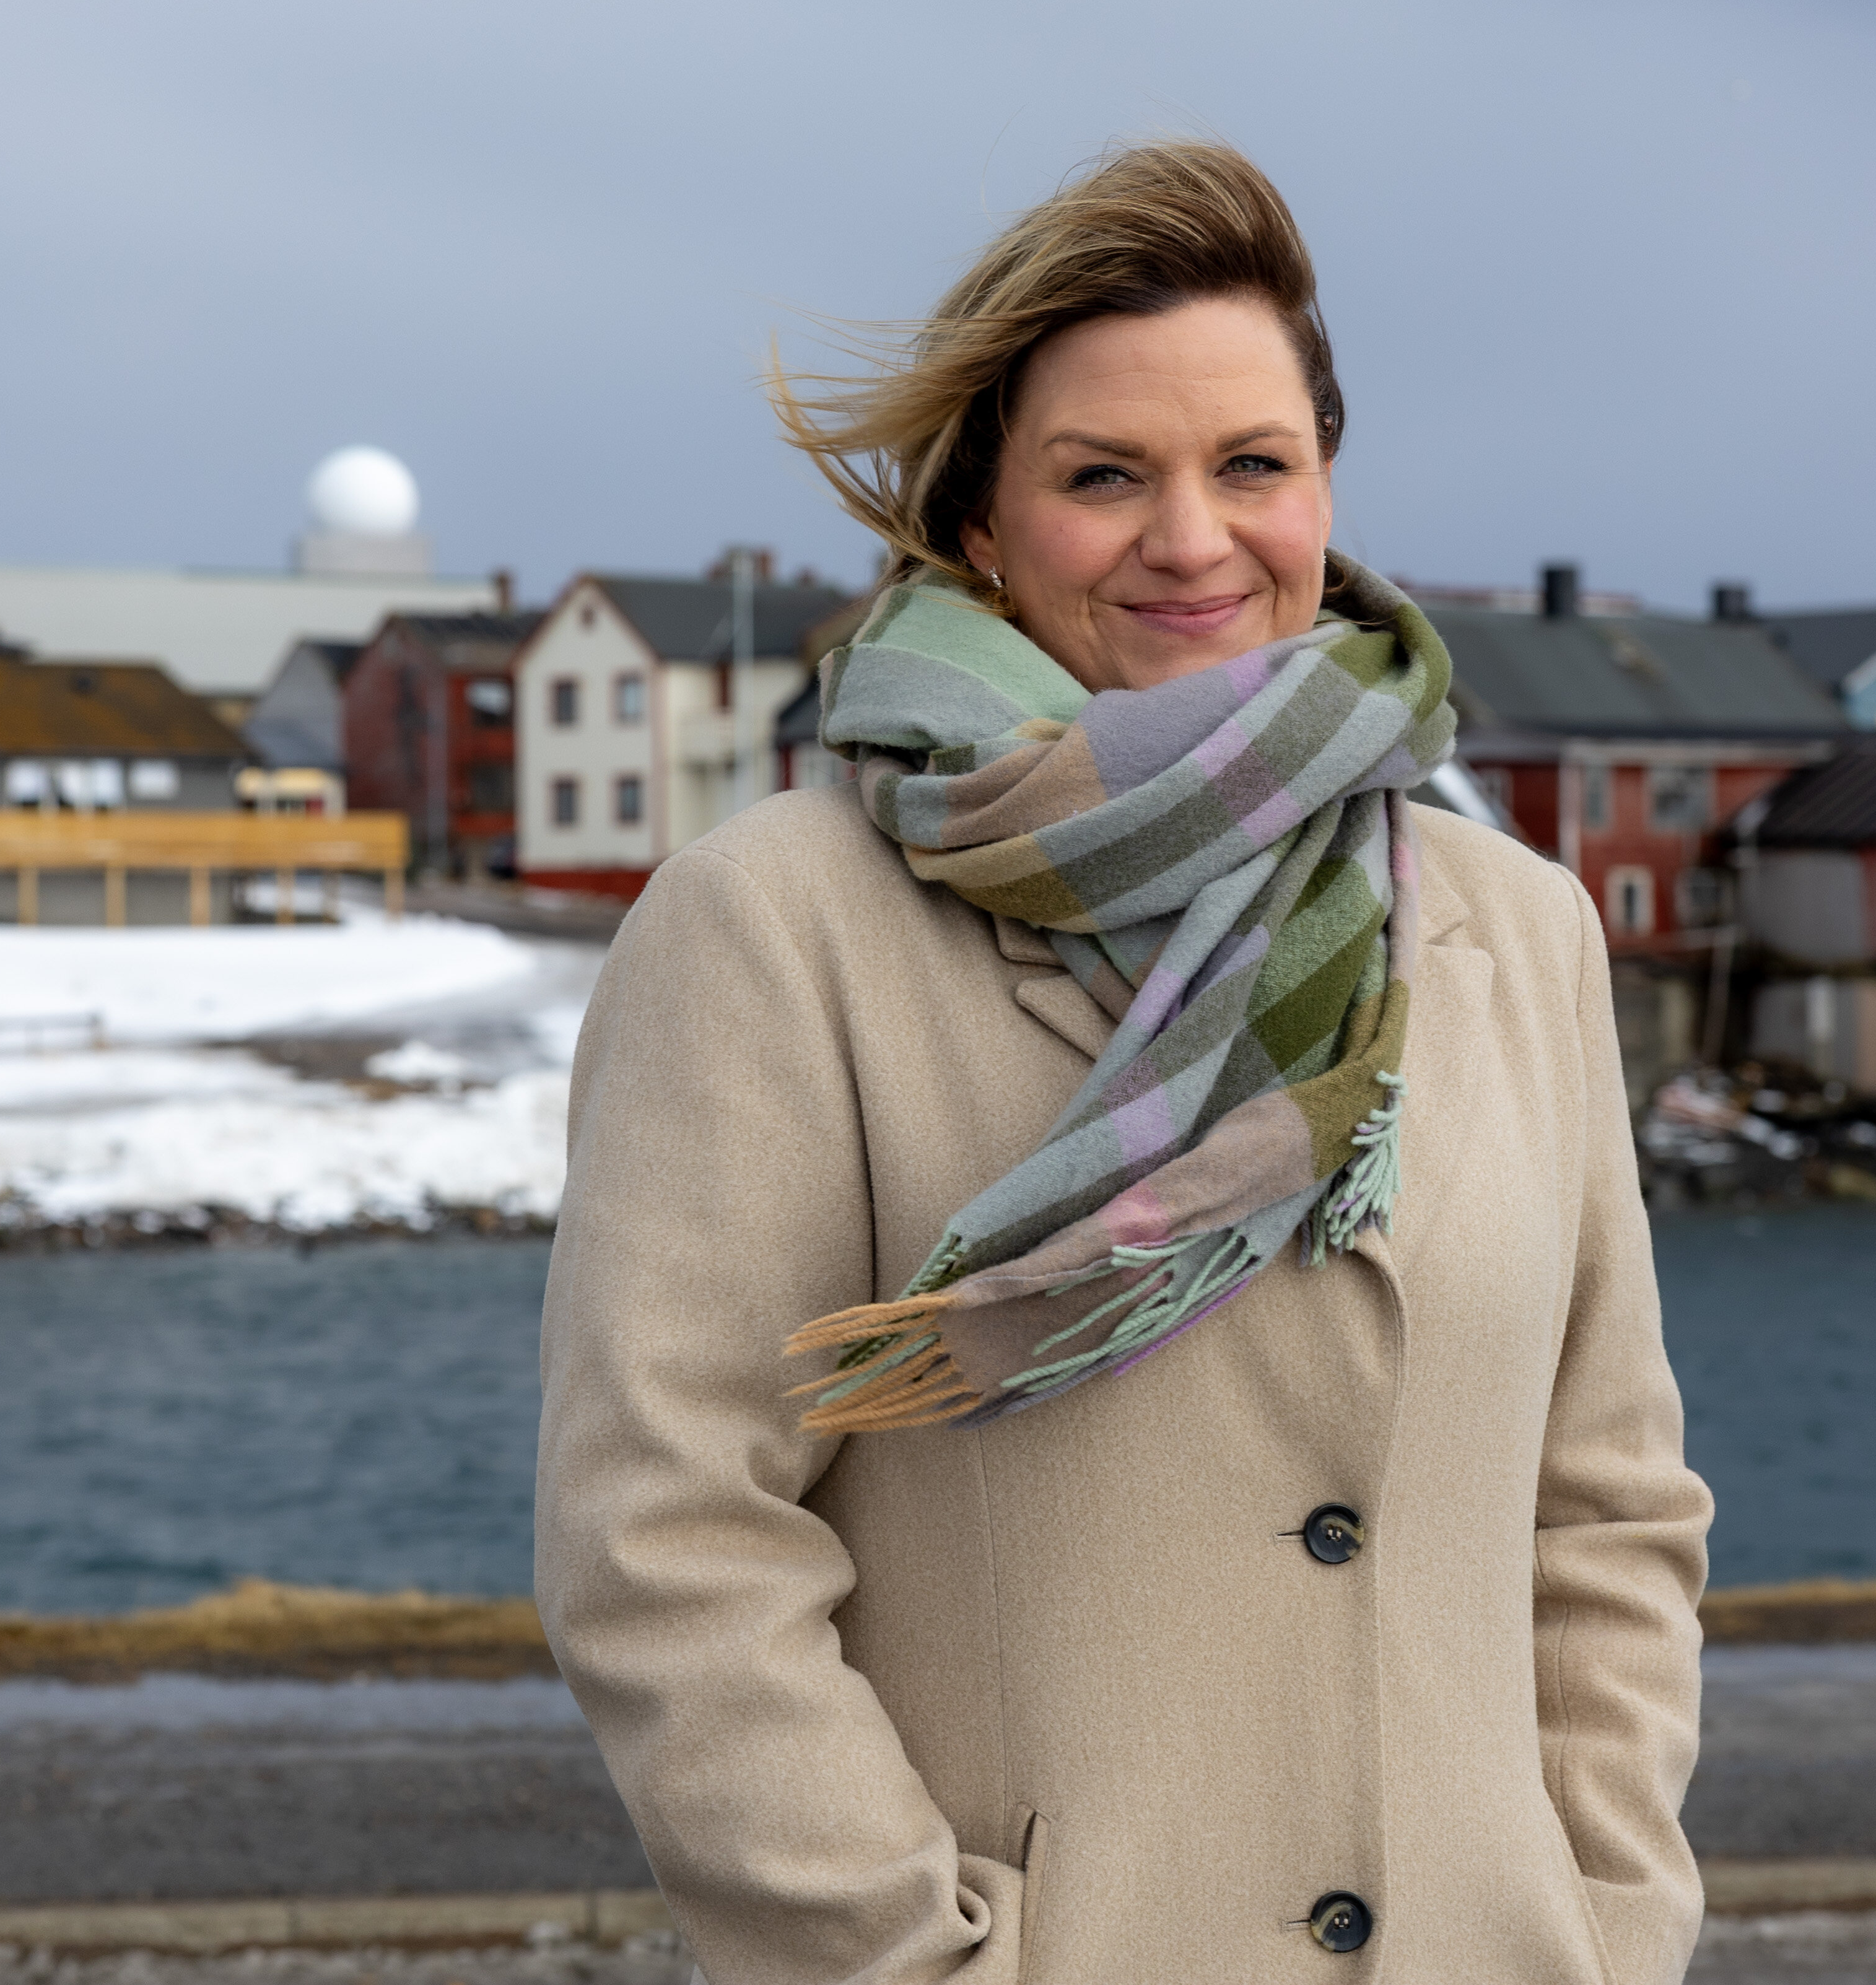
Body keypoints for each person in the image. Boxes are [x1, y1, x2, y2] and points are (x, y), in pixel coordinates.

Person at [535, 141, 1710, 1983]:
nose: (1192, 538)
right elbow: (669, 1536)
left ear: (1325, 487)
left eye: (1254, 464)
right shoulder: (776, 930)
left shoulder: (1512, 928)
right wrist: (915, 1961)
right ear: (984, 524)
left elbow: (1608, 1500)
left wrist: (1609, 1922)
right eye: (1105, 477)